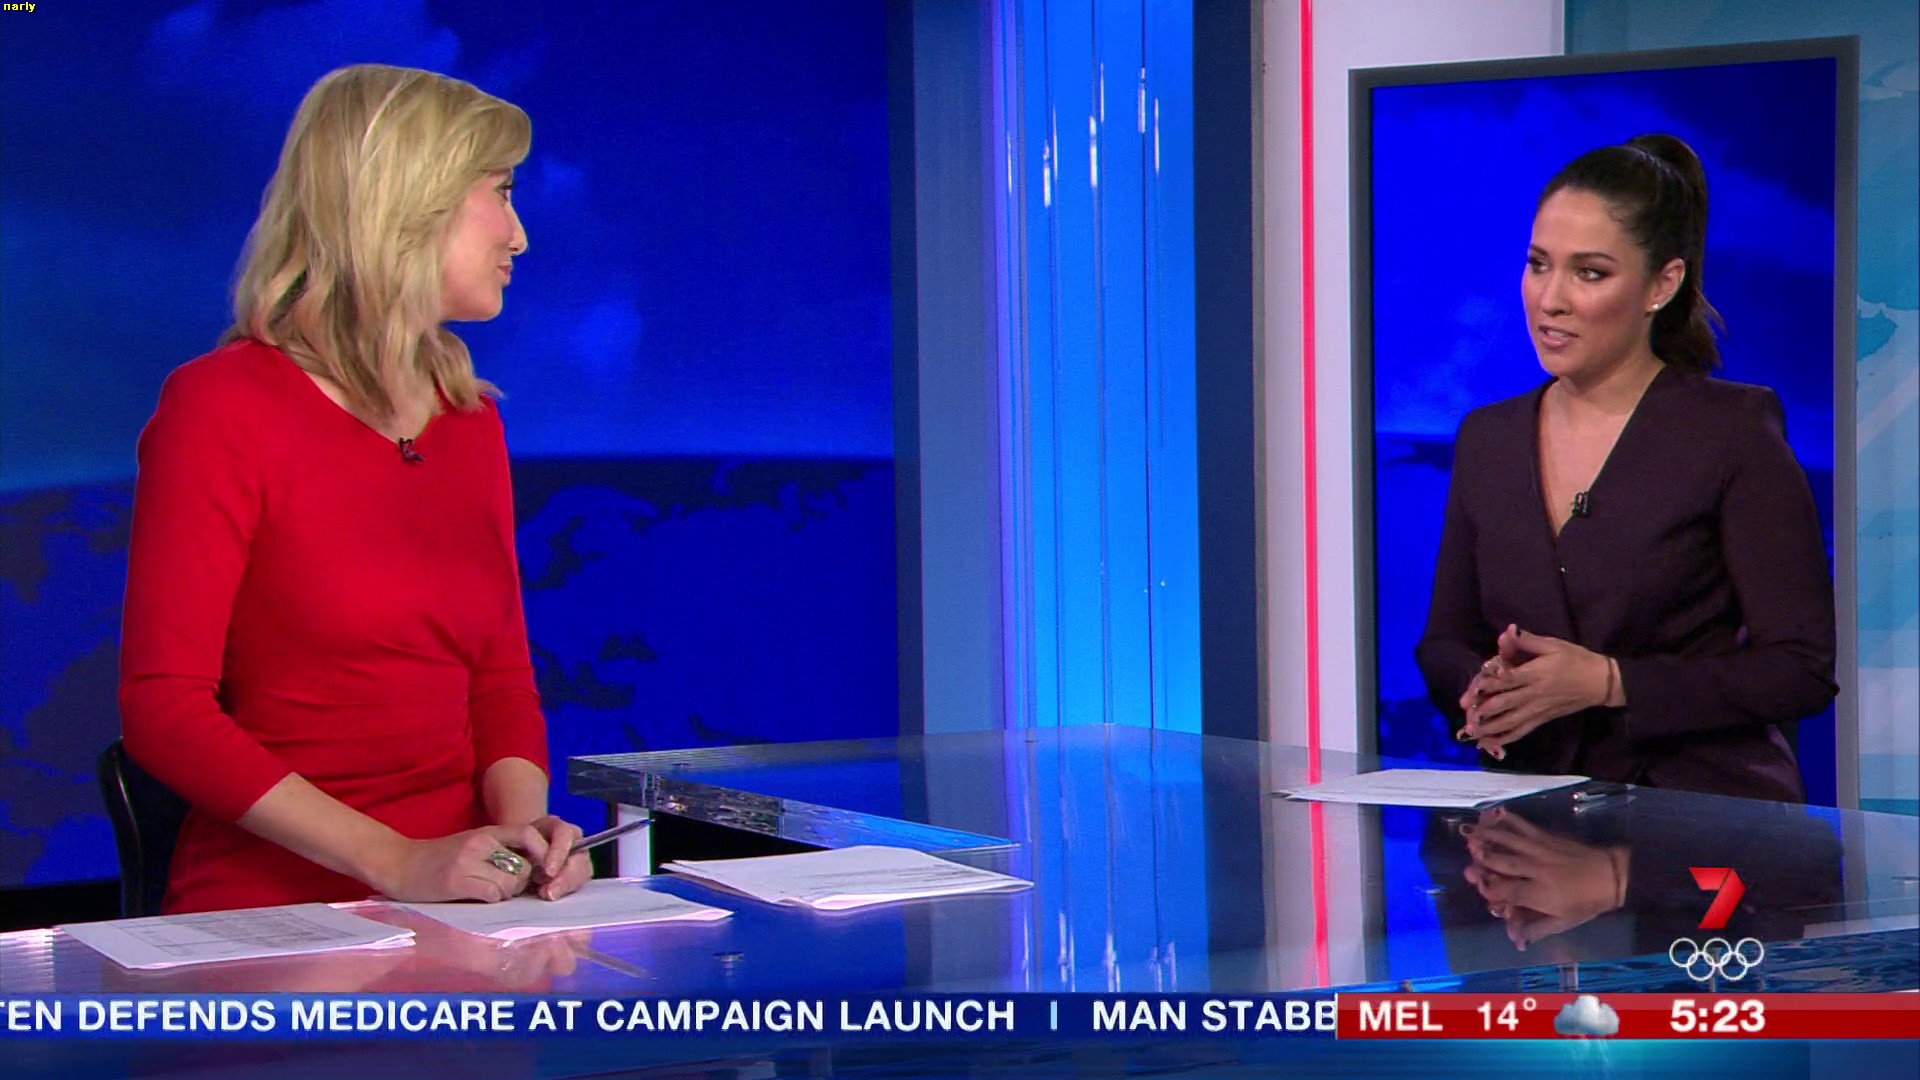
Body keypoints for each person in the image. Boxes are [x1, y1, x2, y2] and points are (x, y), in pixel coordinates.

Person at [119, 65, 593, 913]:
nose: (519, 236)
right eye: (501, 193)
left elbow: (499, 681)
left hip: (466, 906)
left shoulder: (469, 419)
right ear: (409, 202)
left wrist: (522, 843)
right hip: (278, 910)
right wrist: (399, 863)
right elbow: (165, 710)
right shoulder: (219, 407)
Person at [1414, 134, 1837, 803]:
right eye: (1538, 264)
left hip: (1702, 826)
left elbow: (1800, 669)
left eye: (1589, 273)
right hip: (1534, 820)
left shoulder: (1732, 431)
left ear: (1662, 284)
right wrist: (1483, 689)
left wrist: (1610, 682)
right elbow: (1444, 639)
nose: (1549, 299)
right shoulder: (1487, 438)